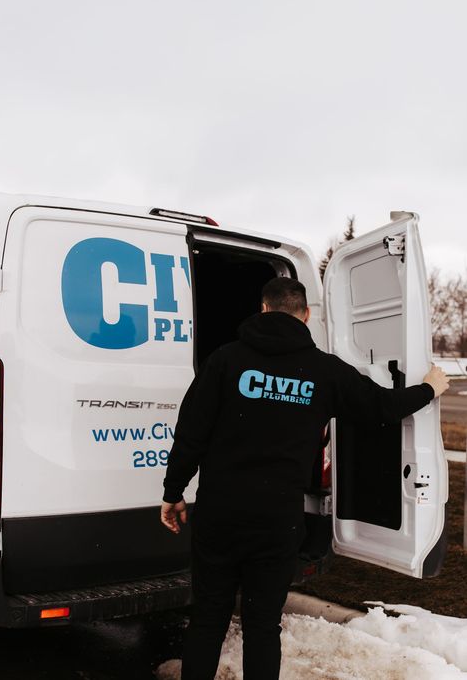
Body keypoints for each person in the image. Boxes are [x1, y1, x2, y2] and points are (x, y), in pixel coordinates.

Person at [160, 277, 449, 680]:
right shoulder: (323, 371)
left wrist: (173, 492)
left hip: (219, 514)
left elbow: (191, 432)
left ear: (262, 308)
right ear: (306, 315)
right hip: (276, 519)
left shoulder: (225, 360)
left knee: (208, 619)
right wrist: (428, 389)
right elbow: (382, 407)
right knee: (263, 626)